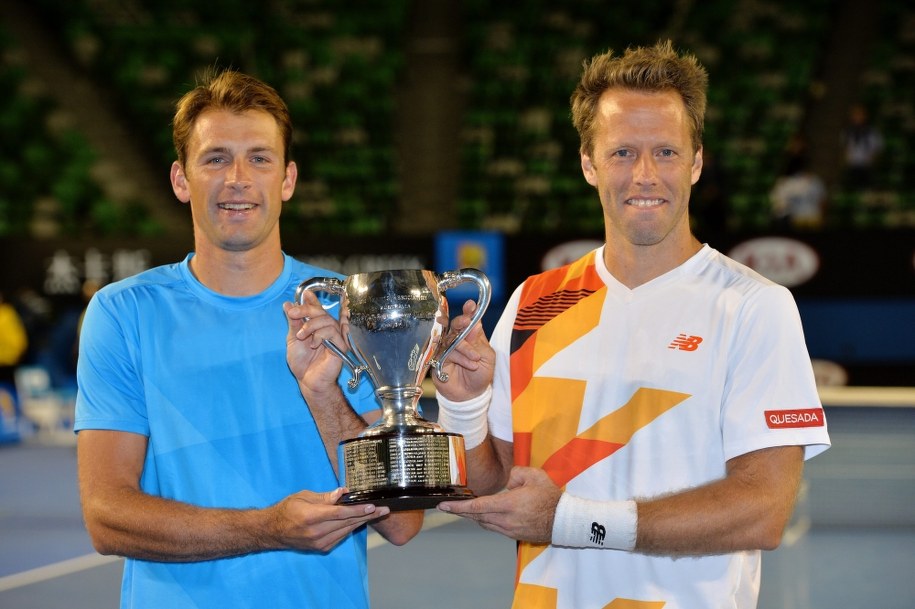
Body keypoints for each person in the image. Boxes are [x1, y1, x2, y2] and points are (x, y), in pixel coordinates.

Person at [431, 40, 831, 608]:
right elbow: (495, 489)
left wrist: (572, 521)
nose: (644, 175)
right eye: (622, 153)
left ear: (696, 163)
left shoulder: (751, 306)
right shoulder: (533, 303)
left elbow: (764, 510)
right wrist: (465, 407)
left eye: (665, 152)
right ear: (588, 164)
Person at [74, 68, 422, 609]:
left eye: (259, 158)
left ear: (287, 179)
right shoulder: (123, 313)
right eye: (215, 158)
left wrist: (325, 395)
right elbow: (107, 517)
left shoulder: (348, 309)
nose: (237, 177)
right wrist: (269, 528)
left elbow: (402, 523)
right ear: (181, 179)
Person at [840, 103, 882, 191]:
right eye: (855, 115)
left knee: (866, 189)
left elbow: (877, 148)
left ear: (865, 116)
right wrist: (846, 161)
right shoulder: (847, 132)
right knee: (851, 188)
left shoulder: (872, 131)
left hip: (866, 165)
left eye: (860, 115)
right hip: (852, 165)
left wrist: (872, 161)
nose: (858, 117)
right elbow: (845, 148)